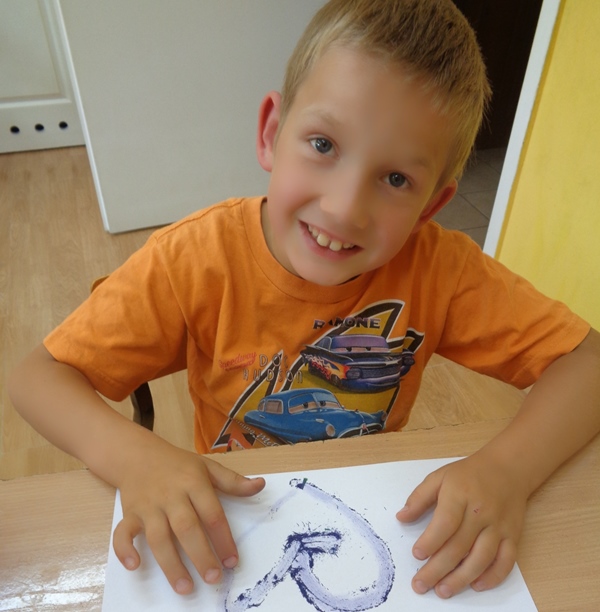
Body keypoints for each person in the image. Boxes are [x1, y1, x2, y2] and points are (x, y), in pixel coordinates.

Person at [8, 0, 600, 601]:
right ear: (272, 133)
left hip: (369, 516)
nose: (344, 207)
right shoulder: (193, 258)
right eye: (323, 144)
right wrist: (134, 458)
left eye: (396, 179)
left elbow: (589, 363)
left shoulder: (441, 270)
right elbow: (37, 378)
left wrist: (508, 471)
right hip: (236, 521)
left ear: (430, 207)